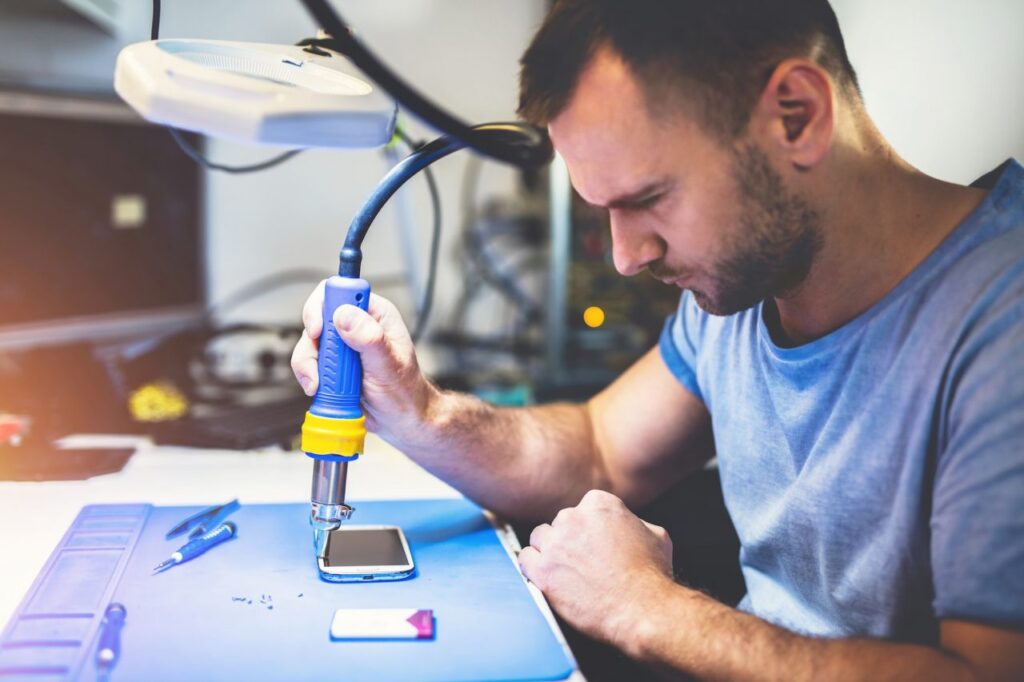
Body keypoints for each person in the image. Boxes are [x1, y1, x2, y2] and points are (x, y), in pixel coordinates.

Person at [292, 1, 1024, 678]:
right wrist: (415, 411)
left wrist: (647, 607)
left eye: (646, 199)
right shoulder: (743, 288)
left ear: (796, 117)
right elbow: (599, 450)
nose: (625, 256)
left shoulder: (1001, 326)